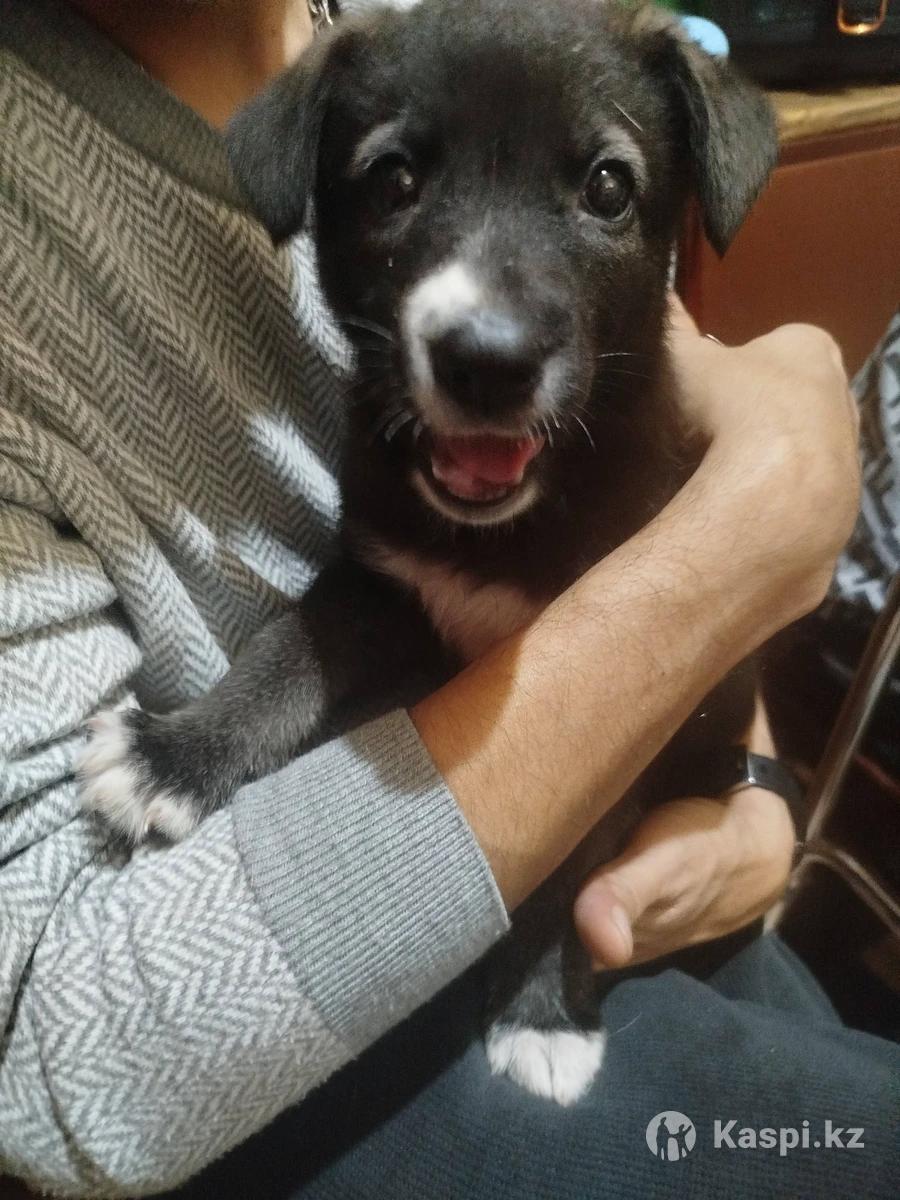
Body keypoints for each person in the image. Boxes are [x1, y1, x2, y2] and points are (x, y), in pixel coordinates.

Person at [0, 1, 892, 1197]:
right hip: (286, 1031)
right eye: (394, 183)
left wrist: (752, 783)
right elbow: (374, 604)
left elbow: (704, 627)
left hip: (645, 841)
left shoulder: (412, 33)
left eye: (605, 190)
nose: (493, 315)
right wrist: (727, 561)